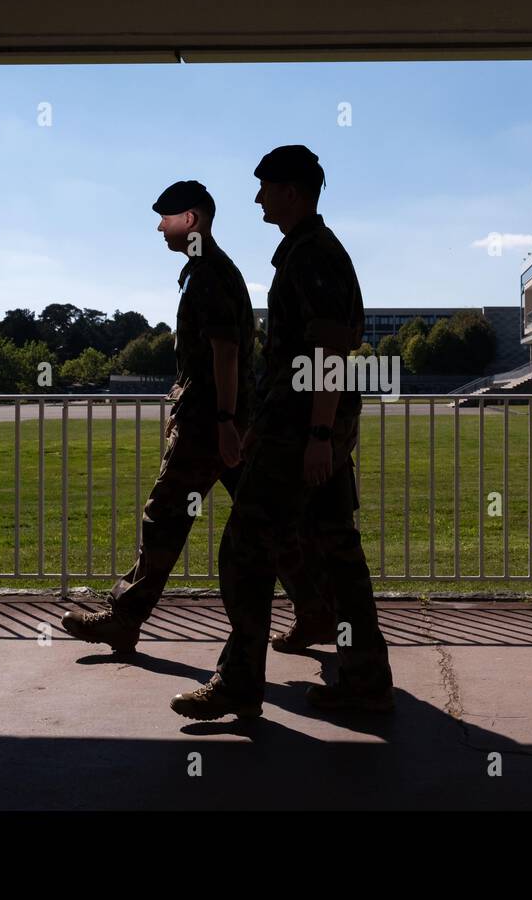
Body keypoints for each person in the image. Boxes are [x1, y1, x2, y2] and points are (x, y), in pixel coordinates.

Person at [61, 180, 334, 656]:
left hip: (211, 423)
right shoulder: (206, 270)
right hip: (223, 419)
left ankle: (125, 619)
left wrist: (225, 420)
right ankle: (315, 611)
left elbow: (225, 352)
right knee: (269, 521)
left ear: (191, 219)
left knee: (164, 515)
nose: (158, 227)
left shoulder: (208, 273)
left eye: (165, 218)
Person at [170, 146, 394, 720]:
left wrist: (317, 434)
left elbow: (329, 349)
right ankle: (365, 676)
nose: (257, 197)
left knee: (245, 552)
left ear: (292, 191)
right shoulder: (306, 251)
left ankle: (240, 682)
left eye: (265, 187)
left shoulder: (312, 255)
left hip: (301, 433)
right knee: (339, 554)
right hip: (308, 429)